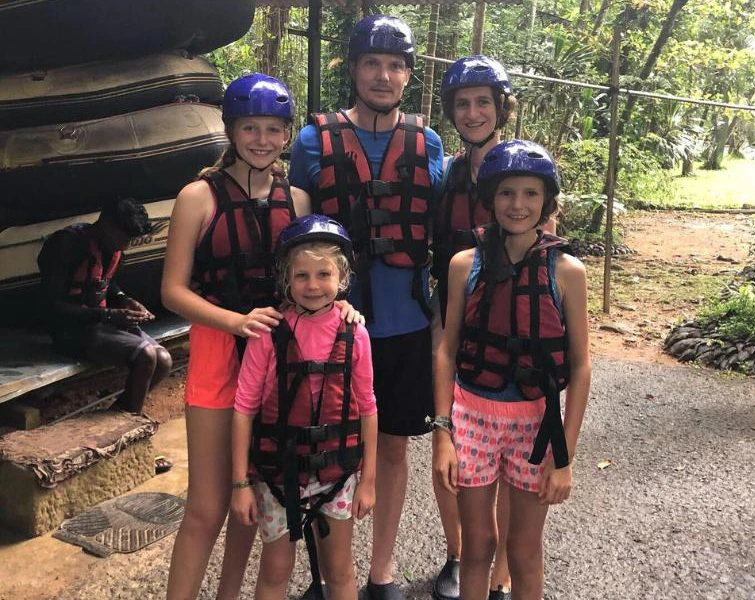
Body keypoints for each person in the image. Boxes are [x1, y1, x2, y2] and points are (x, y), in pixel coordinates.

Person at [162, 74, 361, 600]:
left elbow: (312, 271)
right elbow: (172, 291)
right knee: (207, 506)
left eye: (274, 130)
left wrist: (337, 301)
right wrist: (233, 322)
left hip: (279, 358)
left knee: (251, 500)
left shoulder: (295, 197)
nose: (262, 140)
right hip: (219, 351)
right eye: (250, 127)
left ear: (286, 135)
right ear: (230, 129)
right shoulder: (197, 197)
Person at [289, 14, 444, 600]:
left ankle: (380, 572)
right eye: (372, 63)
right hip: (328, 325)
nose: (383, 75)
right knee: (324, 446)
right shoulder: (312, 141)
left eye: (396, 65)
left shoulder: (427, 143)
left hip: (404, 322)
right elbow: (292, 229)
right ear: (353, 68)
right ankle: (332, 574)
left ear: (408, 74)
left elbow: (461, 215)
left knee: (395, 447)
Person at [432, 140, 591, 600]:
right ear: (490, 198)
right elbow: (447, 350)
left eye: (529, 194)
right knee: (477, 545)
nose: (517, 205)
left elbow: (580, 369)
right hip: (472, 416)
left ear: (547, 202)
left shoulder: (568, 272)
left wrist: (565, 457)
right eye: (506, 193)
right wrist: (443, 431)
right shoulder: (466, 264)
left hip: (535, 427)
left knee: (523, 549)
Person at [231, 214, 377, 600]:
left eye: (323, 274)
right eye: (302, 276)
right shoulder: (267, 335)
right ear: (286, 279)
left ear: (341, 279)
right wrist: (241, 483)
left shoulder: (355, 332)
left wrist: (370, 480)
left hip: (337, 470)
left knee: (340, 569)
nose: (313, 286)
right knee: (276, 569)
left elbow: (368, 408)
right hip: (278, 471)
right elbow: (244, 407)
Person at [430, 55, 517, 600]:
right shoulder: (451, 173)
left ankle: (503, 568)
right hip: (453, 320)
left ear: (501, 106)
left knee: (510, 453)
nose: (473, 112)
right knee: (454, 443)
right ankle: (460, 553)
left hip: (511, 329)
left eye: (483, 101)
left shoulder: (522, 170)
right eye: (463, 104)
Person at [37, 197, 172, 414]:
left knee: (164, 360)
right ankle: (130, 417)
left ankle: (119, 414)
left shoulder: (112, 247)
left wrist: (124, 299)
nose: (125, 245)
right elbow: (51, 305)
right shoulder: (67, 245)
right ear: (107, 225)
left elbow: (105, 282)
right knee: (145, 356)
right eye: (123, 237)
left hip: (102, 325)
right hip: (71, 331)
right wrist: (109, 315)